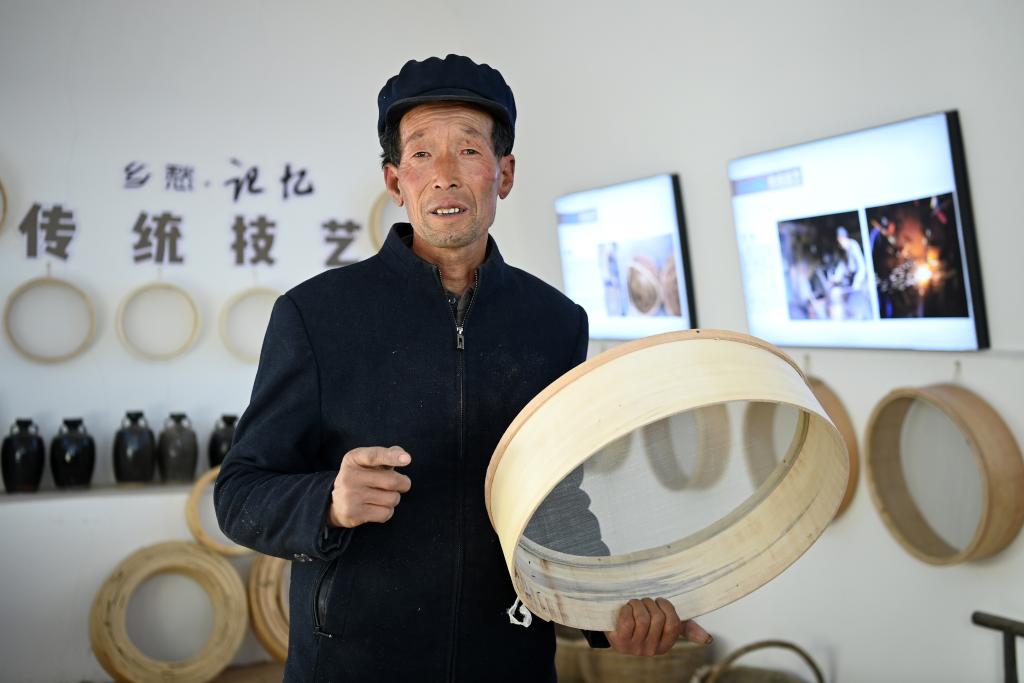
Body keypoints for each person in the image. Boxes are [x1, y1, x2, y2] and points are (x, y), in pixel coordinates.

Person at [215, 54, 709, 682]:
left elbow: (558, 501)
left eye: (469, 151)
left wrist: (606, 613)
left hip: (508, 661)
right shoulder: (315, 316)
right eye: (421, 154)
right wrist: (328, 501)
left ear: (504, 173)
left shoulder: (555, 323)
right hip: (352, 663)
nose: (444, 176)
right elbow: (239, 493)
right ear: (395, 180)